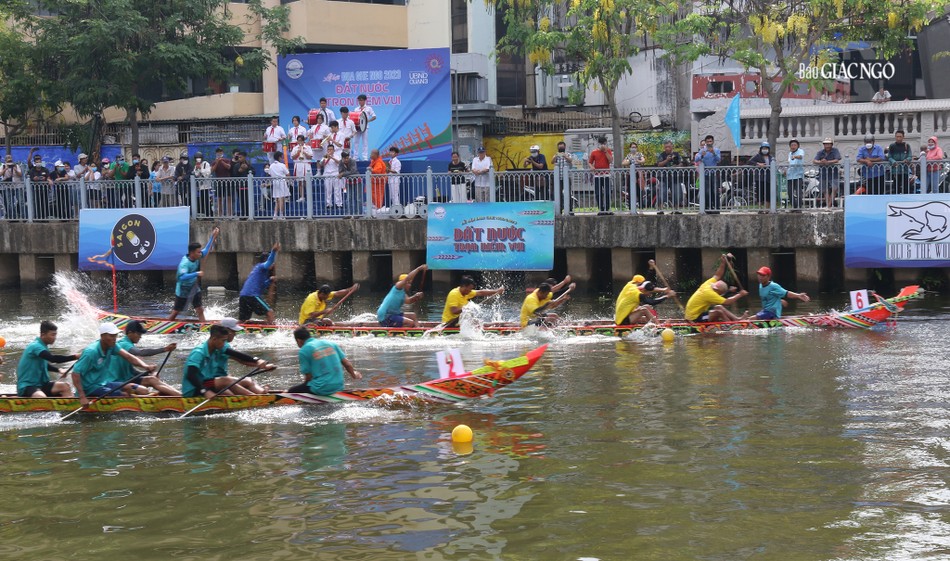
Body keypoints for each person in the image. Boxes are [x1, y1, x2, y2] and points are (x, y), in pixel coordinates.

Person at [71, 322, 158, 407]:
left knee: (137, 389)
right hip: (89, 388)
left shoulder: (112, 346)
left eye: (115, 335)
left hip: (103, 383)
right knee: (124, 395)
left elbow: (129, 357)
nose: (114, 339)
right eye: (111, 336)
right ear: (102, 336)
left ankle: (146, 398)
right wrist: (82, 397)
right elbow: (75, 374)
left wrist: (145, 366)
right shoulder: (91, 352)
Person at [180, 323, 274, 398]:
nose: (225, 343)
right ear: (214, 339)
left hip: (209, 383)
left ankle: (261, 395)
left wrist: (259, 363)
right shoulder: (199, 353)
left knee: (246, 381)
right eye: (223, 340)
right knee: (226, 382)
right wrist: (205, 391)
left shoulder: (217, 348)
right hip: (195, 388)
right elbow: (190, 375)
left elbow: (239, 356)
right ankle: (255, 398)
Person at [288, 326, 362, 395]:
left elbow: (309, 377)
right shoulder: (331, 344)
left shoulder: (304, 350)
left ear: (298, 340)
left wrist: (304, 389)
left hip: (321, 389)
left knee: (291, 391)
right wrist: (354, 375)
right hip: (339, 386)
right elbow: (347, 364)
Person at [113, 321, 180, 396]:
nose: (140, 337)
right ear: (130, 332)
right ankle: (182, 397)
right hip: (119, 382)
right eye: (138, 334)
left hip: (126, 379)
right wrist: (165, 349)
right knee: (145, 389)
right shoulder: (124, 344)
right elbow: (141, 353)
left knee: (152, 379)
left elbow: (130, 371)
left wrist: (148, 373)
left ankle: (181, 395)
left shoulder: (127, 343)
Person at [168, 226, 220, 321]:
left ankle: (204, 326)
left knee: (200, 309)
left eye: (200, 252)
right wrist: (196, 273)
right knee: (176, 311)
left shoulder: (197, 256)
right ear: (192, 253)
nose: (200, 254)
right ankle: (166, 324)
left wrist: (213, 237)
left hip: (194, 287)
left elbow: (207, 250)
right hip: (183, 289)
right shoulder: (184, 263)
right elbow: (182, 277)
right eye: (198, 252)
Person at [15, 320, 78, 398]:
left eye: (55, 335)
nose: (54, 338)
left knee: (65, 386)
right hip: (27, 386)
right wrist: (75, 356)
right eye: (52, 335)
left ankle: (69, 404)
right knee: (41, 397)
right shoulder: (36, 346)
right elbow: (53, 359)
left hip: (42, 384)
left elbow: (44, 364)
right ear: (43, 334)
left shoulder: (43, 346)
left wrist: (58, 370)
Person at [684, 253, 749, 322]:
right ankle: (729, 325)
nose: (719, 295)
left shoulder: (708, 284)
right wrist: (740, 294)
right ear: (717, 290)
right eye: (720, 293)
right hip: (694, 319)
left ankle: (737, 319)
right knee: (718, 312)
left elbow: (718, 275)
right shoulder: (710, 293)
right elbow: (727, 302)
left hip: (697, 314)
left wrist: (723, 262)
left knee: (719, 307)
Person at [441, 276, 505, 328]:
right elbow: (454, 311)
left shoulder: (467, 292)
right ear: (464, 286)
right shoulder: (454, 294)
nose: (470, 291)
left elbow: (481, 292)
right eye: (470, 289)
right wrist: (467, 307)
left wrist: (496, 291)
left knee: (478, 322)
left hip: (459, 321)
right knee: (473, 320)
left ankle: (497, 325)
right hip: (449, 323)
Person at [239, 243, 280, 323]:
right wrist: (274, 251)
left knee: (243, 320)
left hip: (243, 296)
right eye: (272, 263)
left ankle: (234, 327)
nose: (273, 264)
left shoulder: (258, 270)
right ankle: (272, 329)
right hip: (252, 295)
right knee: (270, 312)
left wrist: (270, 280)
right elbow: (269, 262)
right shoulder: (262, 267)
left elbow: (262, 286)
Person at [695, 134, 722, 213]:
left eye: (710, 141)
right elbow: (696, 159)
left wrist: (713, 153)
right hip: (705, 174)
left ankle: (716, 208)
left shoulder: (716, 150)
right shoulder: (702, 150)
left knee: (715, 191)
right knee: (707, 192)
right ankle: (707, 208)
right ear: (706, 142)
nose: (709, 143)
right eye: (708, 141)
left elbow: (719, 159)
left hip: (713, 173)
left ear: (713, 141)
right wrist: (702, 156)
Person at [655, 140, 684, 213]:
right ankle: (660, 209)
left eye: (669, 147)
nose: (667, 148)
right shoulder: (662, 155)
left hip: (675, 177)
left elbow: (681, 163)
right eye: (666, 147)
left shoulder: (677, 154)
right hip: (664, 177)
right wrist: (667, 160)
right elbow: (659, 164)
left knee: (677, 193)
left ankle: (676, 209)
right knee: (662, 193)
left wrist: (676, 166)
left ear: (672, 146)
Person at [813, 138, 842, 208]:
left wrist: (828, 162)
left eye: (829, 144)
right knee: (824, 190)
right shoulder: (820, 152)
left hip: (833, 173)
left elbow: (837, 159)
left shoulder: (835, 150)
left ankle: (829, 205)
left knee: (834, 188)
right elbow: (814, 160)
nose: (827, 146)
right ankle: (828, 205)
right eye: (826, 144)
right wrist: (821, 162)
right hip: (823, 173)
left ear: (831, 145)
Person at [588, 136, 614, 215]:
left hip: (606, 175)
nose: (602, 145)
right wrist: (592, 167)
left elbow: (610, 161)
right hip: (597, 175)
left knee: (607, 193)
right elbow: (590, 162)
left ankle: (607, 208)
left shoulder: (608, 151)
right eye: (601, 143)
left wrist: (605, 151)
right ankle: (601, 209)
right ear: (598, 144)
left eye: (604, 143)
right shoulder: (594, 152)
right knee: (598, 193)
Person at [746, 141, 773, 208]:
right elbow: (749, 162)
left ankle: (767, 209)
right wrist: (758, 164)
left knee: (768, 194)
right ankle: (760, 208)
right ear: (761, 149)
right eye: (763, 148)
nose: (765, 150)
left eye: (766, 148)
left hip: (768, 178)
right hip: (759, 178)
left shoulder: (771, 157)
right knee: (760, 193)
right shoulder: (758, 156)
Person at [888, 130, 913, 195]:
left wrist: (907, 160)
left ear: (903, 137)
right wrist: (893, 162)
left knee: (906, 188)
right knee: (896, 188)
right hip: (895, 171)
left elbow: (910, 156)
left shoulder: (907, 146)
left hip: (905, 170)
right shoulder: (892, 146)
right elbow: (889, 157)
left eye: (900, 136)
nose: (898, 138)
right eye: (897, 136)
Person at [352, 94, 376, 161]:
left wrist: (368, 121)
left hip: (365, 127)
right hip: (357, 127)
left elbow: (374, 116)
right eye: (359, 100)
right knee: (355, 142)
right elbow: (354, 117)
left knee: (365, 142)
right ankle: (355, 157)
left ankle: (365, 157)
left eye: (361, 100)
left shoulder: (369, 108)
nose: (360, 102)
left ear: (365, 100)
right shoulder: (356, 109)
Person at [291, 134, 314, 203]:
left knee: (307, 181)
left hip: (306, 164)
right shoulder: (295, 148)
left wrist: (304, 152)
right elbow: (293, 157)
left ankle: (309, 196)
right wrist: (298, 152)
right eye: (298, 141)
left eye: (301, 141)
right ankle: (302, 197)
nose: (299, 142)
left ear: (303, 141)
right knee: (300, 182)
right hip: (298, 165)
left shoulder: (308, 147)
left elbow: (310, 157)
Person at [267, 153, 290, 219]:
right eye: (281, 157)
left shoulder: (271, 166)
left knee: (277, 200)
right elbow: (288, 174)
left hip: (275, 182)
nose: (282, 158)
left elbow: (270, 173)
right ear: (279, 157)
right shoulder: (282, 165)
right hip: (282, 182)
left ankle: (275, 215)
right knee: (281, 199)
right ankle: (281, 215)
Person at [321, 143, 343, 212]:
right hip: (327, 174)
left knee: (337, 189)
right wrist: (326, 158)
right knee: (328, 190)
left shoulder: (337, 156)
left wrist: (332, 157)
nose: (329, 151)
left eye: (331, 149)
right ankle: (329, 204)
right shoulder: (325, 156)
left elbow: (339, 162)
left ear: (334, 150)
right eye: (328, 149)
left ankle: (339, 204)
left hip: (335, 174)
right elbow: (321, 164)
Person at [786, 139, 806, 211]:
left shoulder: (800, 151)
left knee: (798, 192)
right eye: (791, 145)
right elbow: (789, 163)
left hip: (798, 175)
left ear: (798, 146)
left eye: (795, 145)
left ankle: (799, 207)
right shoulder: (789, 153)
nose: (793, 147)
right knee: (790, 192)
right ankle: (794, 207)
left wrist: (795, 157)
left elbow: (800, 156)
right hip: (790, 176)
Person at [192, 152, 214, 216]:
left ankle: (210, 215)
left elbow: (208, 173)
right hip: (200, 187)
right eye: (197, 158)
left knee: (207, 201)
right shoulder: (196, 165)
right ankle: (204, 215)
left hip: (207, 186)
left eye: (199, 158)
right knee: (202, 201)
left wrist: (200, 169)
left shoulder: (206, 164)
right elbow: (196, 175)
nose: (198, 159)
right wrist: (197, 169)